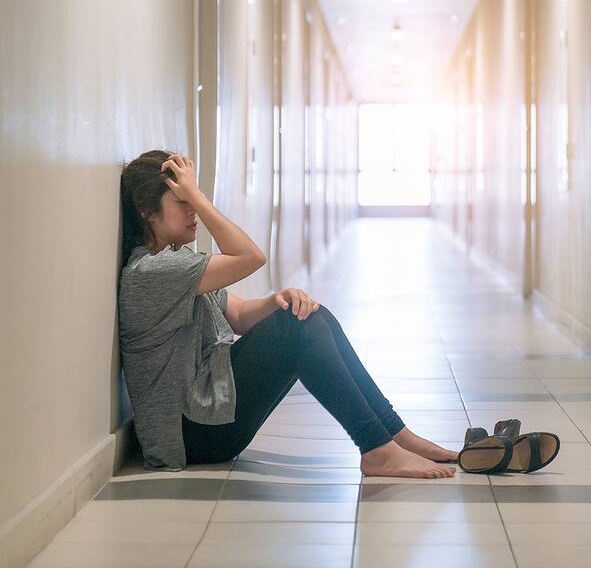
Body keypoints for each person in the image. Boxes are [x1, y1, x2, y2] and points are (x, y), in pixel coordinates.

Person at [117, 149, 458, 478]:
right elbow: (251, 257)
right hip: (190, 433)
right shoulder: (151, 272)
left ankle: (394, 434)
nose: (193, 209)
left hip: (205, 417)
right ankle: (378, 449)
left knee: (309, 313)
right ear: (148, 212)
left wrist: (278, 300)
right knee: (297, 326)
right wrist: (200, 198)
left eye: (193, 200)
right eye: (183, 202)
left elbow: (240, 315)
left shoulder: (176, 264)